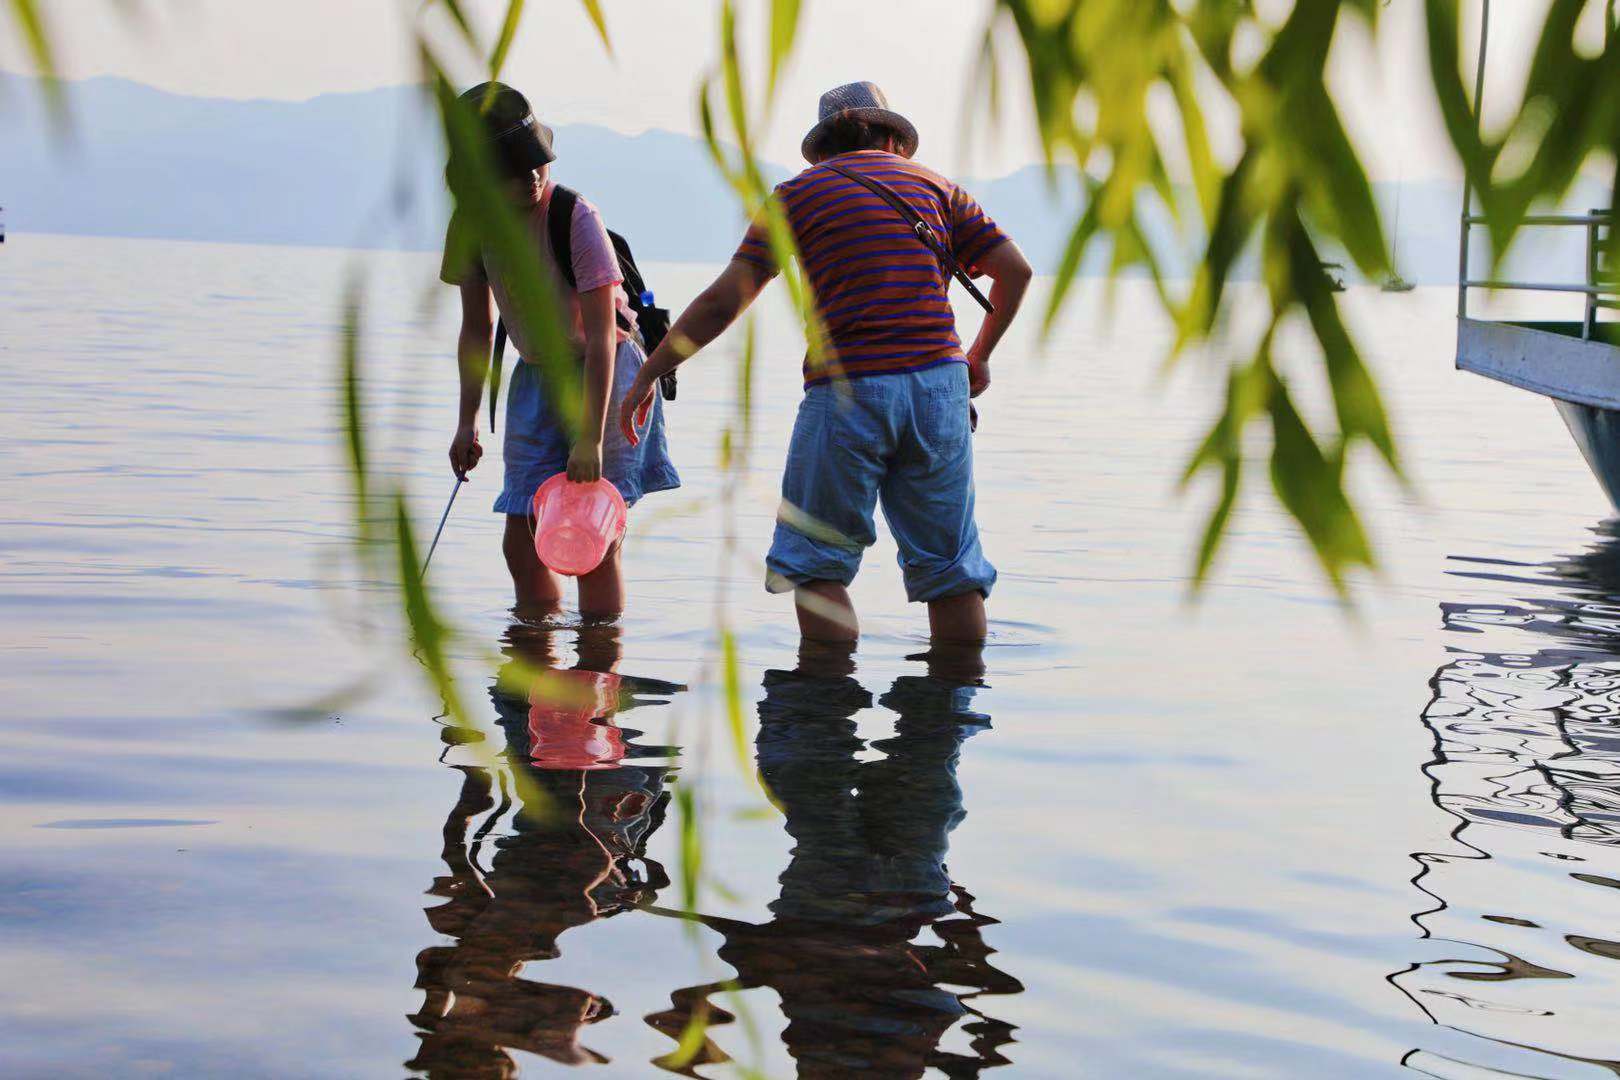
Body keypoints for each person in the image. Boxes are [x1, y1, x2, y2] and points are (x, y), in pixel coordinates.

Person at [619, 82, 1032, 644]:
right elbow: (1016, 271)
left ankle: (823, 715)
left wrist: (648, 371)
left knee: (815, 564)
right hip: (939, 389)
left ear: (826, 144)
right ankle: (947, 717)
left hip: (848, 391)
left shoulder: (797, 196)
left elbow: (723, 301)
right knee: (951, 572)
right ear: (890, 137)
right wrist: (977, 357)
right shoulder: (938, 188)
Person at [442, 82, 679, 619]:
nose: (531, 177)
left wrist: (590, 440)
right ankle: (536, 659)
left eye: (537, 164)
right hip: (534, 375)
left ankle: (599, 673)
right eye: (512, 169)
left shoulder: (575, 216)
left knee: (589, 539)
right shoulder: (470, 226)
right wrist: (466, 422)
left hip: (607, 376)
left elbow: (600, 337)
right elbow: (476, 331)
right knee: (522, 540)